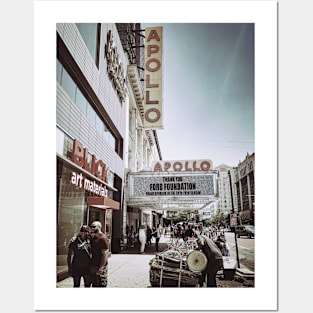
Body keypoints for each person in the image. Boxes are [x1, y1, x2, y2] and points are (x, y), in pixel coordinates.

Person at [89, 221, 110, 287]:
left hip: (100, 266)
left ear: (99, 227)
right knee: (94, 284)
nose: (92, 228)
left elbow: (105, 255)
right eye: (91, 226)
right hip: (93, 265)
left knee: (101, 284)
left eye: (94, 226)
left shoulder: (103, 239)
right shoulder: (94, 238)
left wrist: (101, 268)